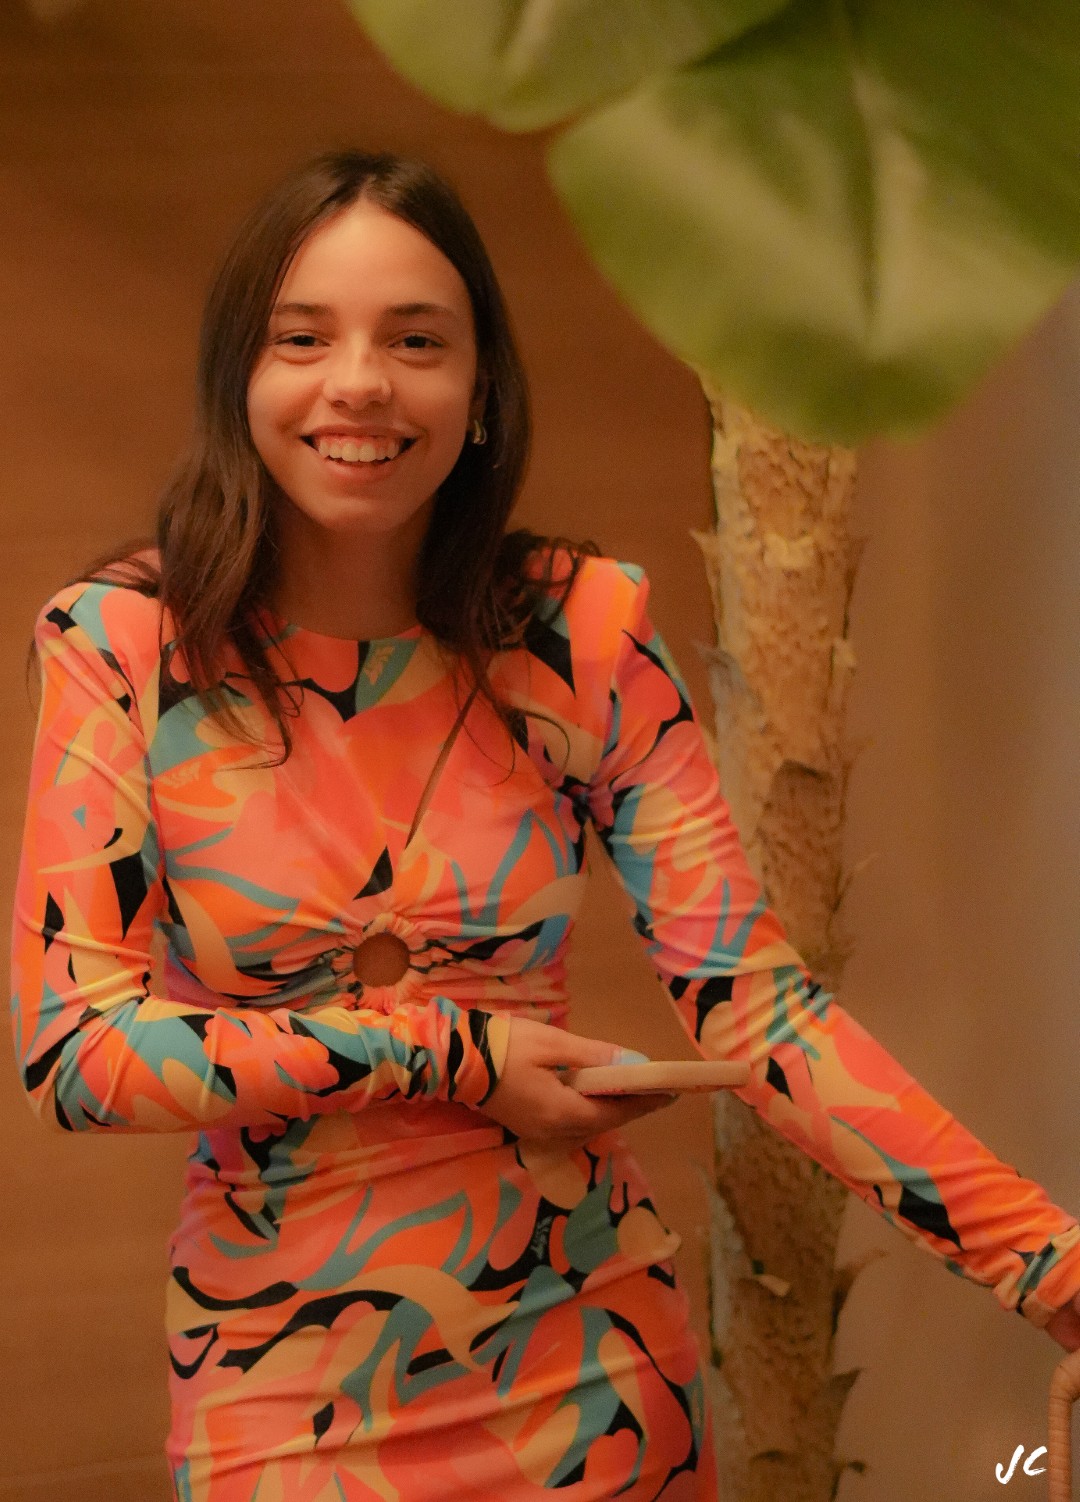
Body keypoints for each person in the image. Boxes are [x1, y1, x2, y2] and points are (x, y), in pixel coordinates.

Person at [9, 148, 1080, 1502]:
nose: (360, 382)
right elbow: (78, 1053)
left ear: (482, 393)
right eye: (304, 338)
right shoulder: (127, 646)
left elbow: (759, 1010)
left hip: (595, 1378)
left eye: (417, 341)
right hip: (279, 1385)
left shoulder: (578, 634)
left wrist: (1049, 1266)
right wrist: (455, 1051)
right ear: (241, 378)